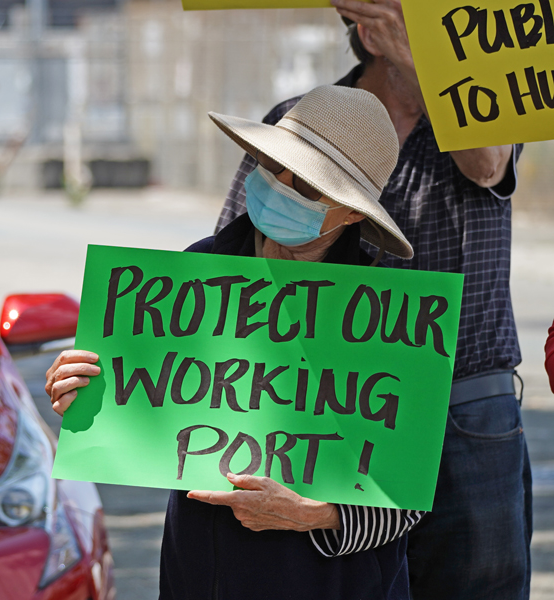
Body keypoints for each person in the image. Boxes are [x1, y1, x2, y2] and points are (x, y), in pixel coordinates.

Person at [48, 85, 423, 599]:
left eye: (309, 186)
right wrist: (83, 394)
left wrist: (315, 516)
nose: (282, 186)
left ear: (353, 213)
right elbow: (139, 415)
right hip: (203, 576)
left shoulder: (393, 318)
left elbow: (412, 496)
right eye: (274, 167)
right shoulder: (192, 273)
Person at [215, 2, 529, 598]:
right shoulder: (305, 118)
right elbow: (232, 269)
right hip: (334, 405)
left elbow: (487, 165)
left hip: (467, 409)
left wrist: (423, 57)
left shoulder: (483, 119)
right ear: (367, 29)